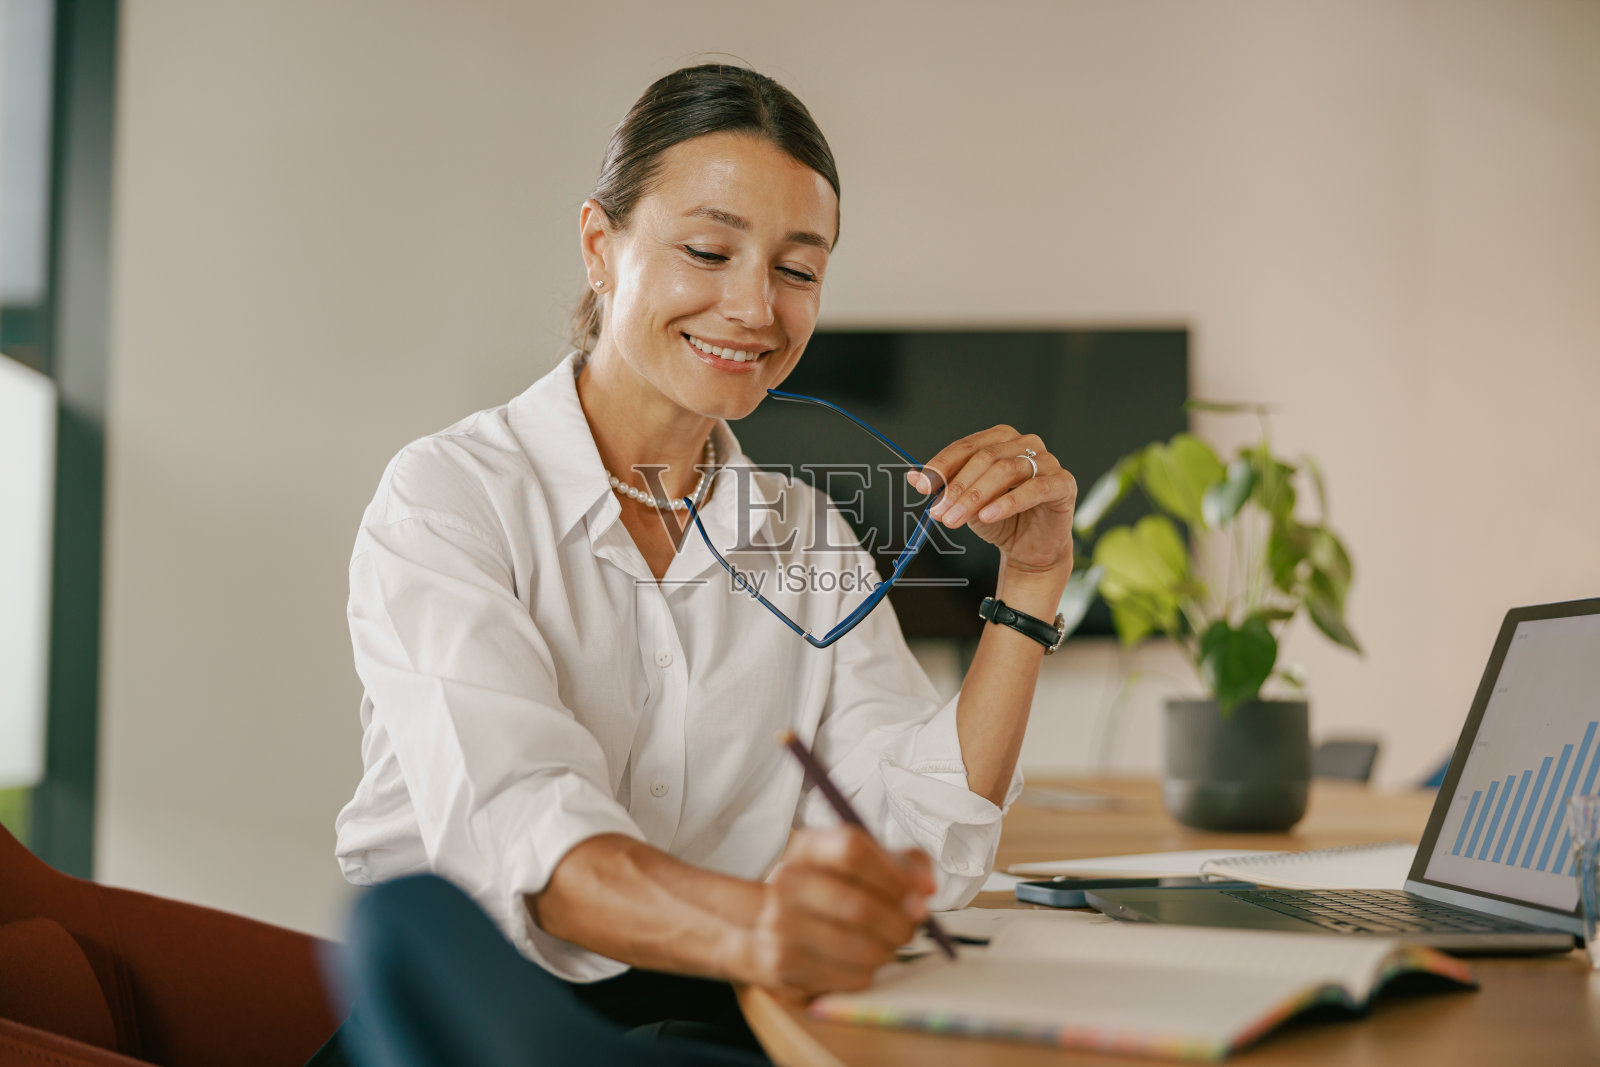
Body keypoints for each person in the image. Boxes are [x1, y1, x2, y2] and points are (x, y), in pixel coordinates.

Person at [330, 63, 1077, 1055]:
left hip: (723, 1011)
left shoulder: (804, 532)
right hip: (481, 1023)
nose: (755, 308)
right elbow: (529, 840)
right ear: (601, 246)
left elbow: (919, 849)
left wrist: (1027, 584)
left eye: (797, 270)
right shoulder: (449, 498)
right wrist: (766, 923)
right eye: (708, 249)